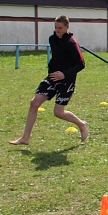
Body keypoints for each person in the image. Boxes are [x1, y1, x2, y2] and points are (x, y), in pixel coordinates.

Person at [10, 15, 88, 145]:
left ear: (67, 27)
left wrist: (64, 74)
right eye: (55, 27)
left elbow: (81, 64)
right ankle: (25, 138)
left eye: (60, 28)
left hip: (66, 81)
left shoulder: (71, 43)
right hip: (51, 78)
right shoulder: (52, 39)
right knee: (34, 103)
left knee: (58, 112)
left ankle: (81, 124)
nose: (57, 30)